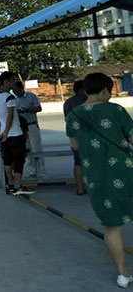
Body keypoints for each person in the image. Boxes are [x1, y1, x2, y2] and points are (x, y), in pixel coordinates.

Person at [66, 72, 133, 289]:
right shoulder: (116, 110)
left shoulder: (74, 115)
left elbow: (75, 146)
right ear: (105, 90)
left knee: (112, 226)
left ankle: (122, 274)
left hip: (97, 175)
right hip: (126, 169)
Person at [0, 72, 34, 195]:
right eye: (11, 80)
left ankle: (10, 183)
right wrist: (6, 132)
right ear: (5, 82)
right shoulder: (9, 97)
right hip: (14, 133)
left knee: (7, 159)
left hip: (3, 133)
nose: (13, 83)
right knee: (19, 160)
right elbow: (10, 116)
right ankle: (17, 185)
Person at [13, 81, 46, 179]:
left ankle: (41, 171)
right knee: (27, 149)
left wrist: (27, 110)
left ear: (21, 88)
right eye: (14, 91)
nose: (16, 93)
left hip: (31, 124)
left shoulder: (31, 96)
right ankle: (32, 171)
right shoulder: (15, 100)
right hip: (22, 127)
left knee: (36, 148)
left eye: (17, 91)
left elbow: (39, 108)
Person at [63, 80, 87, 195]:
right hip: (87, 134)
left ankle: (79, 187)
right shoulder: (86, 100)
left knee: (77, 162)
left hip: (74, 135)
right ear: (82, 89)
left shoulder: (68, 102)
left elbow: (66, 119)